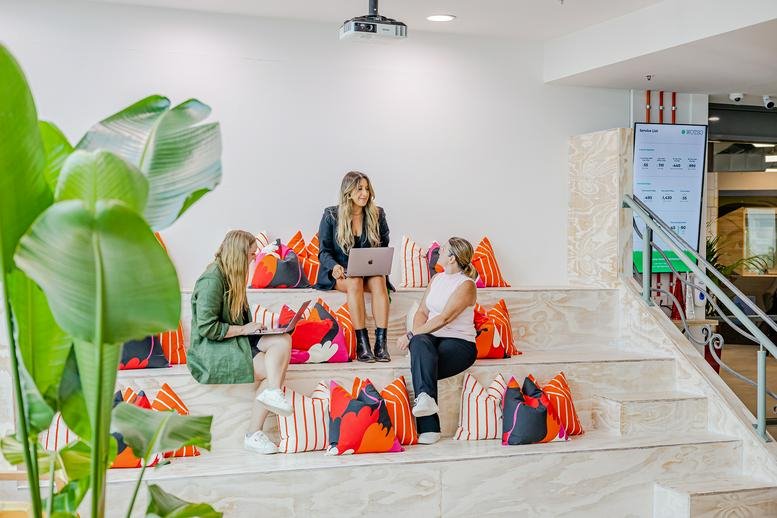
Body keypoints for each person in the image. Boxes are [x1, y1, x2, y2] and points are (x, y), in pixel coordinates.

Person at [188, 230, 293, 454]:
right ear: (239, 253)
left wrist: (255, 329)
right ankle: (254, 432)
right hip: (214, 349)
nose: (255, 258)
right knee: (274, 370)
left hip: (238, 338)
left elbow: (239, 317)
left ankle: (273, 392)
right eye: (252, 254)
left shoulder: (234, 274)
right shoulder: (211, 280)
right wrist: (245, 329)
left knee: (283, 339)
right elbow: (207, 327)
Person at [396, 237, 478, 445]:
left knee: (421, 360)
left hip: (459, 344)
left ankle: (429, 428)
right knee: (420, 347)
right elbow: (423, 311)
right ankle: (425, 400)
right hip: (432, 339)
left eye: (443, 249)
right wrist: (416, 335)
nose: (439, 250)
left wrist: (411, 335)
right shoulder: (436, 280)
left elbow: (445, 318)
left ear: (451, 257)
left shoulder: (467, 285)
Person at [316, 171, 392, 362]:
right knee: (355, 280)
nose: (364, 193)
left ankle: (381, 344)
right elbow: (323, 251)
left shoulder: (377, 214)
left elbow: (383, 246)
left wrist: (379, 262)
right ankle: (362, 343)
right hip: (341, 274)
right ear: (348, 192)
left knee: (379, 280)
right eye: (359, 189)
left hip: (369, 272)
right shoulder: (331, 215)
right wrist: (333, 266)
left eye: (366, 189)